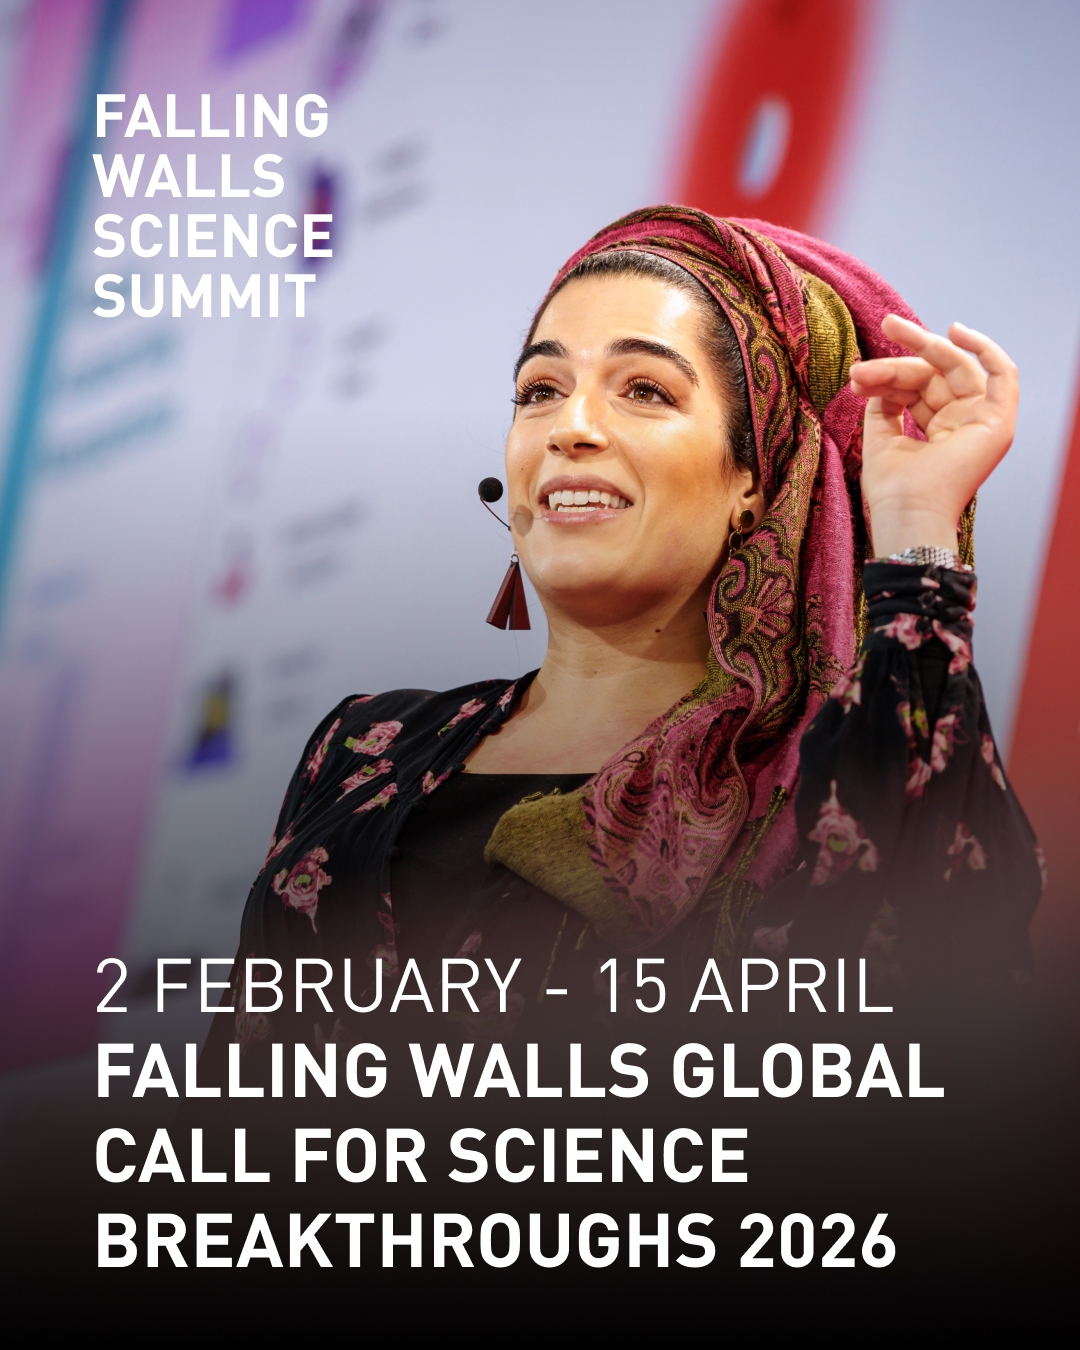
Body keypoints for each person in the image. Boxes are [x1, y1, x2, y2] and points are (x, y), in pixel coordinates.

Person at [224, 206, 1041, 1047]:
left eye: (645, 390)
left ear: (755, 477)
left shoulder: (813, 784)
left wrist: (915, 527)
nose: (570, 428)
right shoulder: (369, 745)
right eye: (540, 391)